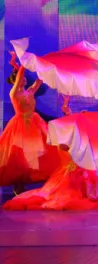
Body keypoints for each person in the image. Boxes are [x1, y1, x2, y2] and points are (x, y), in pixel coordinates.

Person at [0, 55, 62, 194]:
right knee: (21, 155)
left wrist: (44, 68)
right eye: (22, 77)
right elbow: (19, 77)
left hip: (34, 123)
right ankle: (19, 184)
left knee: (41, 151)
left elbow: (39, 81)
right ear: (17, 80)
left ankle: (31, 182)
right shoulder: (13, 93)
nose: (25, 78)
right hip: (21, 125)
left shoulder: (30, 91)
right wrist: (23, 64)